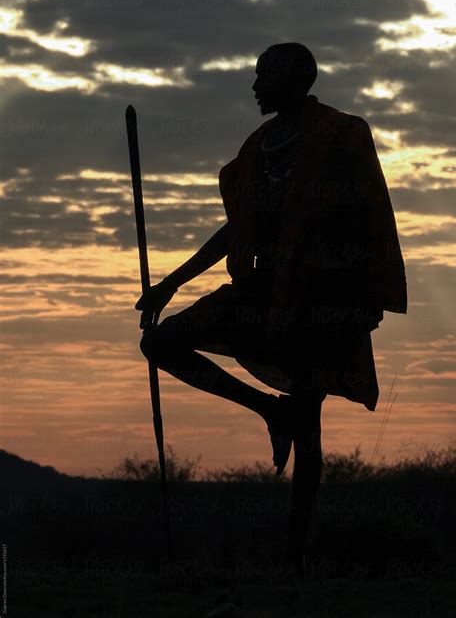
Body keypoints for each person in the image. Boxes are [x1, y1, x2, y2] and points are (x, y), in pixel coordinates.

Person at [136, 42, 407, 567]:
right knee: (161, 340)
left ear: (295, 80)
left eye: (265, 76)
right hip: (263, 293)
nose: (256, 86)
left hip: (324, 301)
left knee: (310, 428)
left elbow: (372, 215)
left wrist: (361, 294)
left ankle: (294, 563)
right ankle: (268, 409)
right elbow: (239, 227)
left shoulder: (343, 135)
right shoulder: (258, 148)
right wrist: (170, 284)